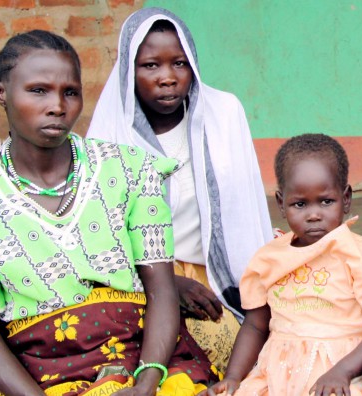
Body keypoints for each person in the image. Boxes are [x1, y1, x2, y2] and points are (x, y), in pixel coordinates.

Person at [0, 30, 218, 395]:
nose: (57, 106)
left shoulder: (129, 171)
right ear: (0, 92)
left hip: (146, 360)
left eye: (70, 92)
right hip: (39, 377)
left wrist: (147, 381)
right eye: (38, 90)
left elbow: (159, 287)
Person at [87, 8, 273, 373]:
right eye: (151, 65)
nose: (168, 78)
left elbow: (246, 211)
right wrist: (168, 282)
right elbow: (98, 240)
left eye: (180, 63)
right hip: (133, 280)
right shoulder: (110, 136)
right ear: (129, 69)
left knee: (229, 352)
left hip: (212, 276)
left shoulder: (224, 115)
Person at [203, 134, 362, 396]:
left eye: (326, 201)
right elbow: (255, 325)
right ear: (281, 203)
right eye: (300, 204)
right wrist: (233, 377)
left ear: (345, 199)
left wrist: (343, 372)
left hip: (341, 372)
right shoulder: (268, 259)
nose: (313, 214)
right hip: (277, 373)